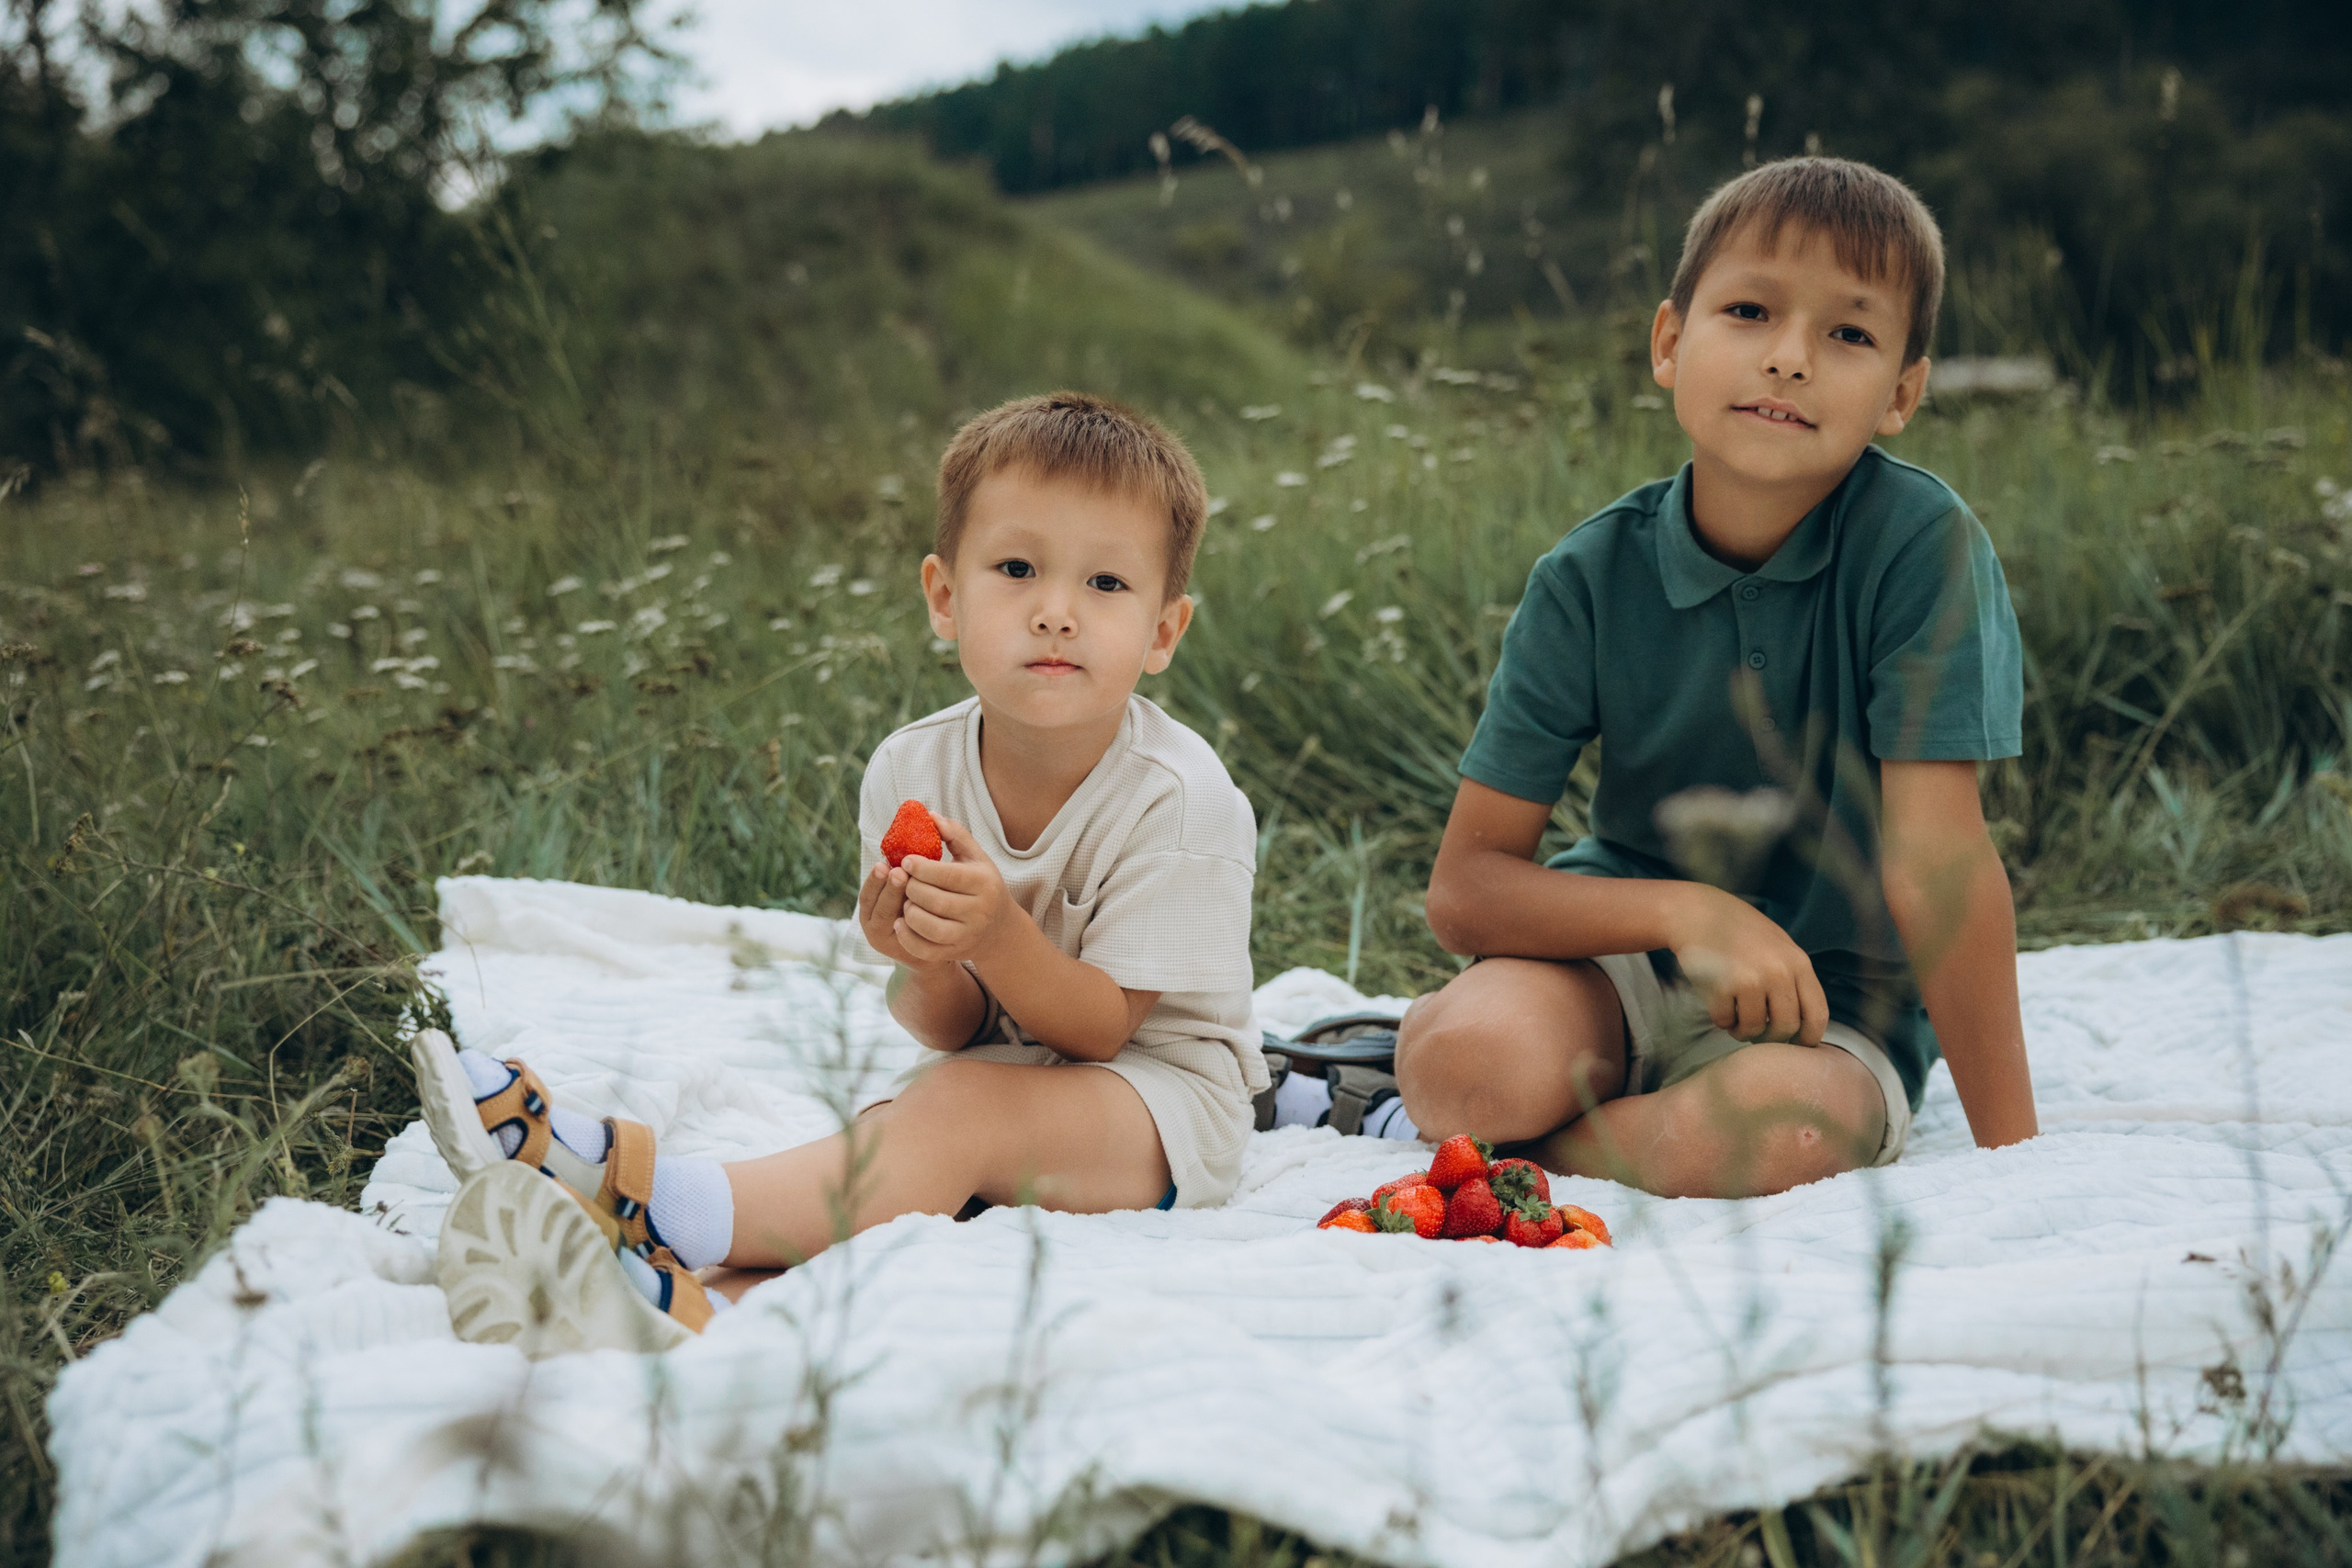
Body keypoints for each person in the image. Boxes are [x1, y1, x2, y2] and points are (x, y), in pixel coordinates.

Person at [419, 391, 1261, 1352]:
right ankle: (686, 1307)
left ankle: (636, 1187)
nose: (1056, 613)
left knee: (951, 1116)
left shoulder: (1181, 800)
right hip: (1008, 1068)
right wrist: (927, 960)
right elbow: (948, 1026)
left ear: (1163, 631)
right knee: (887, 1150)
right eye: (1017, 568)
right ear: (945, 598)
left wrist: (994, 935)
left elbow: (1103, 1028)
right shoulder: (912, 770)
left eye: (1107, 584)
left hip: (1161, 1103)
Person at [1387, 157, 2038, 1200]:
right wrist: (1694, 915)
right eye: (1748, 311)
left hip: (1836, 1004)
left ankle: (1531, 1155)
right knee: (1460, 1069)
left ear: (1902, 394)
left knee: (1758, 1141)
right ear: (1668, 342)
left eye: (1849, 335)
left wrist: (2018, 1163)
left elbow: (1940, 866)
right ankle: (1484, 1110)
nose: (1788, 359)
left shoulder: (1926, 550)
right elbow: (1467, 889)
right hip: (1626, 956)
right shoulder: (1588, 574)